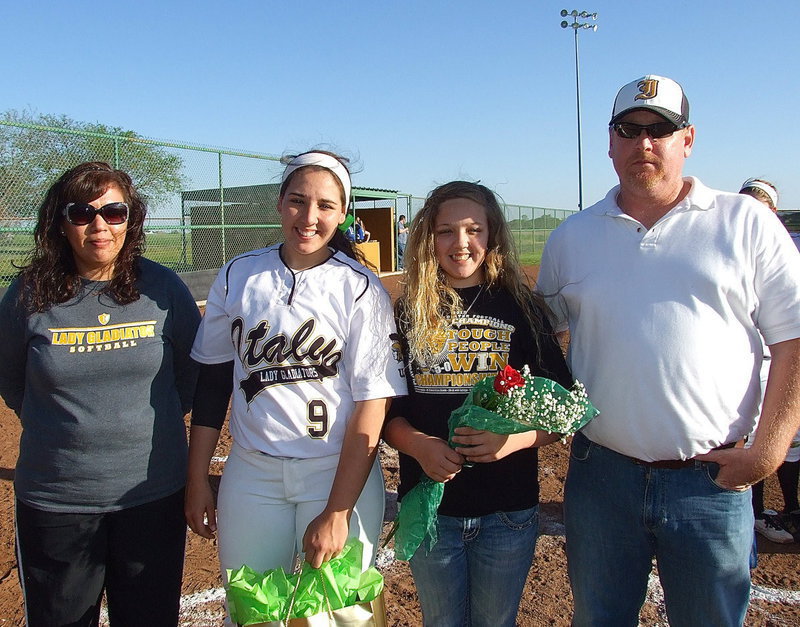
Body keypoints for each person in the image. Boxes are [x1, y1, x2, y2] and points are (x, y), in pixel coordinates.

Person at [537, 75, 800, 625]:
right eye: (629, 130)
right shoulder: (572, 237)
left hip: (709, 482)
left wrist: (769, 452)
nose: (644, 143)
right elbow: (543, 342)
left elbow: (792, 338)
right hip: (601, 478)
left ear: (688, 139)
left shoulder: (746, 223)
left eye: (661, 129)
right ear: (610, 142)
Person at [185, 151, 406, 605]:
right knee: (252, 610)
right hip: (252, 472)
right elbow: (210, 385)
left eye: (326, 205)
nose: (309, 217)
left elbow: (373, 404)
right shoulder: (238, 275)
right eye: (297, 201)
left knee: (339, 612)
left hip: (334, 472)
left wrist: (338, 509)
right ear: (279, 203)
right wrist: (196, 476)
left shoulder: (361, 286)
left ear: (344, 214)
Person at [0, 161, 201, 626]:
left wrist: (151, 425)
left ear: (132, 219)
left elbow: (190, 374)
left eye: (114, 212)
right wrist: (61, 428)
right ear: (60, 221)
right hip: (57, 501)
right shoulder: (28, 294)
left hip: (151, 495)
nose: (99, 226)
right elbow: (11, 379)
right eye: (81, 212)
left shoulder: (162, 288)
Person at [383, 181, 572, 626]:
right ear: (428, 237)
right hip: (431, 514)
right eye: (446, 231)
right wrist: (419, 446)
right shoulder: (408, 311)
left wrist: (515, 440)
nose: (461, 243)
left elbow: (564, 410)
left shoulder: (522, 308)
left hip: (506, 512)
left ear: (492, 236)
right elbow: (387, 415)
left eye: (474, 229)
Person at [739, 178, 800, 544]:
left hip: (783, 357)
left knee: (788, 438)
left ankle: (791, 508)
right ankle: (757, 512)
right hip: (752, 360)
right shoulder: (733, 244)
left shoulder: (787, 249)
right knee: (753, 439)